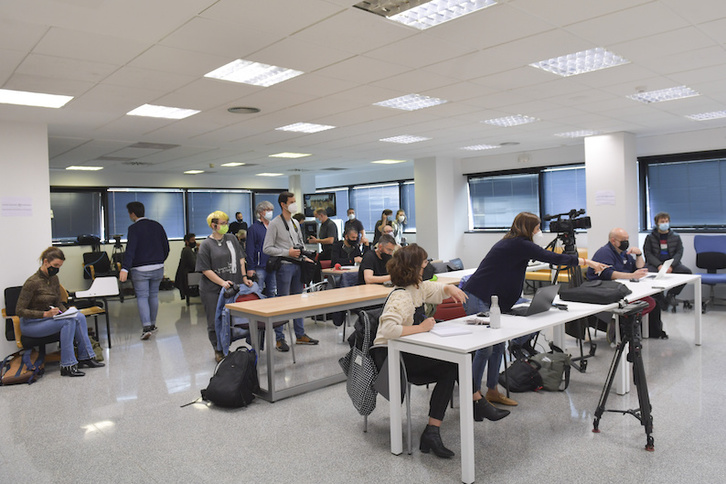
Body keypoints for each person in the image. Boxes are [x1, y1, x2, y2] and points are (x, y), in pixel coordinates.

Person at [462, 212, 607, 406]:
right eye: (537, 228)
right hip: (479, 296)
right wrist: (587, 262)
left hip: (493, 299)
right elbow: (552, 257)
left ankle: (492, 391)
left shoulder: (516, 243)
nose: (539, 232)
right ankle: (473, 396)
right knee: (485, 349)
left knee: (497, 347)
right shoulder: (518, 244)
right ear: (528, 228)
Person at [374, 244, 504, 459]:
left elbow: (432, 289)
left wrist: (449, 288)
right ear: (414, 267)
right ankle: (476, 404)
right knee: (452, 363)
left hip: (408, 350)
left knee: (451, 366)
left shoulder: (415, 287)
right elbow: (388, 329)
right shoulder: (400, 297)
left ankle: (434, 430)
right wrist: (421, 328)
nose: (427, 265)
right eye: (424, 262)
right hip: (391, 357)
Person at [15, 247, 105, 377]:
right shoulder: (32, 282)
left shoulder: (54, 279)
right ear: (45, 262)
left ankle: (86, 357)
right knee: (68, 322)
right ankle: (67, 365)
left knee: (78, 316)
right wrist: (44, 314)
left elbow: (57, 302)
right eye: (55, 265)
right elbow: (19, 310)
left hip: (47, 320)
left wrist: (67, 312)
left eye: (59, 266)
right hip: (31, 324)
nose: (57, 269)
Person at [587, 227, 668, 339]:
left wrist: (639, 254)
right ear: (613, 241)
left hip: (624, 288)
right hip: (606, 289)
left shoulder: (624, 253)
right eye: (623, 240)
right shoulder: (605, 253)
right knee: (649, 303)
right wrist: (631, 275)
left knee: (654, 301)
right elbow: (608, 274)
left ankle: (650, 331)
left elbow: (639, 266)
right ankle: (623, 326)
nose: (626, 242)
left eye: (627, 239)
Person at [196, 210, 253, 362]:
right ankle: (218, 349)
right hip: (212, 289)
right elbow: (205, 269)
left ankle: (231, 344)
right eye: (222, 224)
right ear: (213, 226)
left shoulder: (231, 238)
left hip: (232, 286)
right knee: (215, 320)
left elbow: (240, 258)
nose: (225, 226)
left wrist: (244, 277)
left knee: (234, 318)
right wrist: (222, 283)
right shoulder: (206, 245)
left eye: (226, 223)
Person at [263, 192, 319, 345]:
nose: (295, 204)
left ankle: (300, 334)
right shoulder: (274, 223)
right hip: (284, 267)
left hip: (298, 265)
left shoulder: (294, 222)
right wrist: (286, 252)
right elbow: (267, 248)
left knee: (298, 301)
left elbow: (300, 243)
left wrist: (304, 254)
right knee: (283, 302)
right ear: (283, 204)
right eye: (292, 201)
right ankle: (280, 338)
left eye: (295, 201)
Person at [119, 201, 170, 340]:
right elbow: (166, 246)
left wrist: (124, 268)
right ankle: (153, 325)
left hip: (140, 269)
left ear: (133, 214)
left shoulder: (133, 229)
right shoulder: (157, 226)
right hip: (158, 267)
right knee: (153, 296)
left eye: (129, 213)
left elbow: (131, 250)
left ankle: (146, 327)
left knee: (142, 296)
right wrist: (160, 260)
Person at [246, 200, 288, 352]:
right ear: (261, 212)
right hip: (259, 268)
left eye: (272, 209)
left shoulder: (273, 226)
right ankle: (256, 340)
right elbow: (250, 249)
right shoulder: (254, 229)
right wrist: (250, 268)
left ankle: (279, 337)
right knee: (258, 300)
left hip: (273, 266)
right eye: (268, 210)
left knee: (273, 300)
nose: (271, 212)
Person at [643, 212, 692, 309]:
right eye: (662, 221)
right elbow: (648, 253)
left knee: (687, 272)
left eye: (666, 221)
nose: (665, 223)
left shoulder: (676, 236)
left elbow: (679, 252)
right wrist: (659, 265)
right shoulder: (650, 237)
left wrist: (671, 265)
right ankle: (659, 298)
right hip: (655, 264)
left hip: (671, 264)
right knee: (648, 275)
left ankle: (671, 294)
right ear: (657, 223)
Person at [174, 233, 198, 300]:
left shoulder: (187, 250)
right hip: (189, 275)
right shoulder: (187, 251)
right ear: (187, 242)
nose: (194, 242)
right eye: (192, 240)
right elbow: (194, 265)